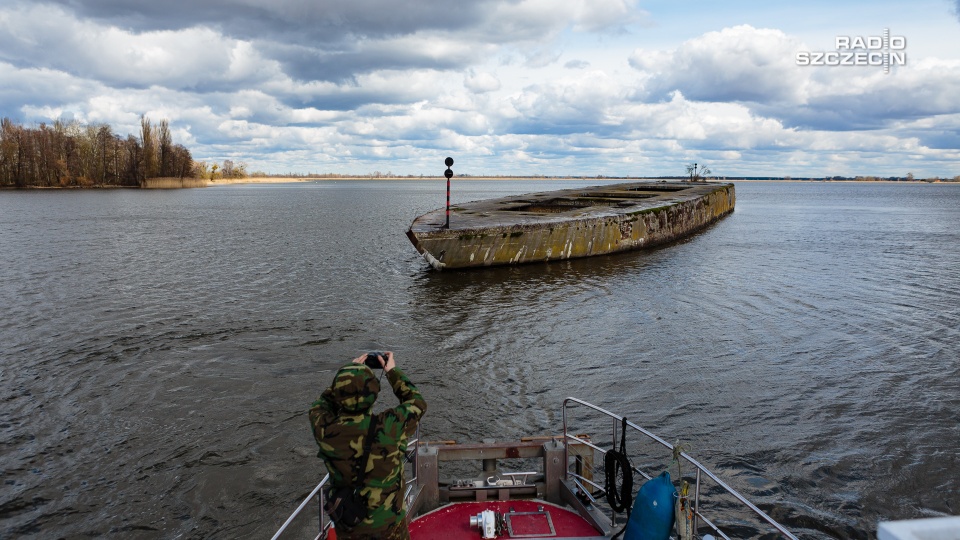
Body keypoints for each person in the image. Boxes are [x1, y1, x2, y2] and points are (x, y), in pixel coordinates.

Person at [309, 351, 427, 540]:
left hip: (348, 526)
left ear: (338, 392)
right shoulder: (390, 426)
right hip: (390, 526)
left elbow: (319, 405)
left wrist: (348, 373)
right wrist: (392, 371)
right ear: (373, 393)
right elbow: (417, 402)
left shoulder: (325, 430)